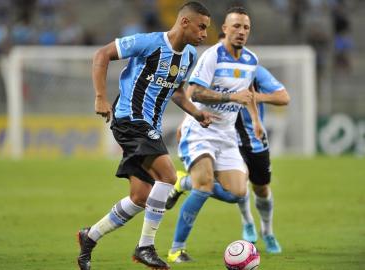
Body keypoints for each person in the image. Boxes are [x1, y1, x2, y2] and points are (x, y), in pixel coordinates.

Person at [76, 2, 215, 270]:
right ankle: (145, 247)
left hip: (148, 125)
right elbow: (102, 55)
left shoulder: (187, 56)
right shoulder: (149, 43)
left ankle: (89, 237)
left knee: (140, 197)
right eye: (201, 27)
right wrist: (100, 97)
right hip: (130, 118)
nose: (204, 34)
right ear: (185, 23)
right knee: (169, 176)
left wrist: (196, 113)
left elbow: (175, 91)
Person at [165, 6, 264, 263]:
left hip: (226, 135)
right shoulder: (213, 56)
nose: (241, 32)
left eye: (246, 28)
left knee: (237, 194)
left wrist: (255, 119)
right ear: (225, 29)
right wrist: (231, 97)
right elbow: (195, 92)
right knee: (205, 185)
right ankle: (177, 249)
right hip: (200, 131)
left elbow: (248, 91)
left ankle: (183, 182)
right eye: (236, 27)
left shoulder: (251, 60)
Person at [166, 64, 289, 256]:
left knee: (259, 189)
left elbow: (283, 97)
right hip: (223, 136)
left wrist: (254, 98)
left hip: (254, 141)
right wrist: (186, 120)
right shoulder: (214, 66)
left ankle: (267, 231)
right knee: (224, 184)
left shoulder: (253, 69)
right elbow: (192, 92)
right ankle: (247, 222)